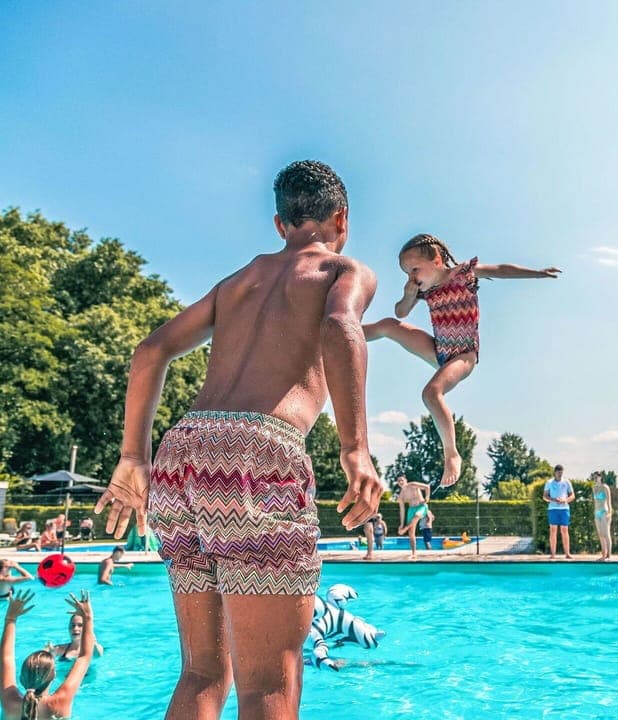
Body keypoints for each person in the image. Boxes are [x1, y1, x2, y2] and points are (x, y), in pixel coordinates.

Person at [95, 160, 382, 720]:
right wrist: (355, 447)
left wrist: (133, 456)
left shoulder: (239, 281)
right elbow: (339, 328)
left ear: (280, 223)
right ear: (342, 218)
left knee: (203, 672)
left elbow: (150, 351)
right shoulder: (343, 270)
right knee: (269, 687)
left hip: (183, 450)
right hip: (259, 450)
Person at [364, 235, 560, 487]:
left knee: (431, 394)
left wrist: (537, 273)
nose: (411, 277)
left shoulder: (465, 274)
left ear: (437, 260)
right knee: (389, 326)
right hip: (438, 350)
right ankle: (343, 331)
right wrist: (408, 293)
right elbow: (401, 312)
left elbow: (501, 270)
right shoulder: (423, 288)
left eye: (413, 270)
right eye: (406, 273)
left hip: (464, 354)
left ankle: (452, 454)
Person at [1, 589, 96, 720]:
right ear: (54, 675)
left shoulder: (9, 702)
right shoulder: (60, 702)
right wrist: (88, 617)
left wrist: (10, 618)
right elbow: (85, 657)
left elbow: (7, 658)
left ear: (22, 678)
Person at [542, 465, 574, 559]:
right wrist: (554, 500)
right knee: (553, 530)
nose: (560, 475)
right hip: (553, 509)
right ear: (555, 472)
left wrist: (565, 500)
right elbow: (545, 496)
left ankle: (567, 553)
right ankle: (553, 554)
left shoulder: (566, 482)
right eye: (558, 473)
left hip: (564, 509)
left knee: (564, 530)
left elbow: (572, 496)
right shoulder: (549, 482)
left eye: (561, 473)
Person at [396, 476, 431, 559]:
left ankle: (405, 529)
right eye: (399, 481)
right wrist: (401, 524)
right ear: (398, 483)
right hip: (411, 509)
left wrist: (427, 497)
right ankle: (414, 553)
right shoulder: (401, 496)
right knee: (411, 533)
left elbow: (427, 487)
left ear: (406, 481)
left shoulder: (412, 485)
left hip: (421, 506)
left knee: (417, 516)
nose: (400, 481)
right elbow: (402, 511)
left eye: (402, 480)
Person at [591, 472, 613, 561]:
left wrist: (609, 513)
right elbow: (595, 502)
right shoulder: (594, 488)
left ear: (600, 477)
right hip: (597, 512)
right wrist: (595, 513)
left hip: (604, 511)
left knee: (606, 533)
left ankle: (609, 556)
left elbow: (609, 501)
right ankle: (603, 554)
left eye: (597, 477)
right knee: (600, 535)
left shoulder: (605, 487)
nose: (595, 478)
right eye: (594, 477)